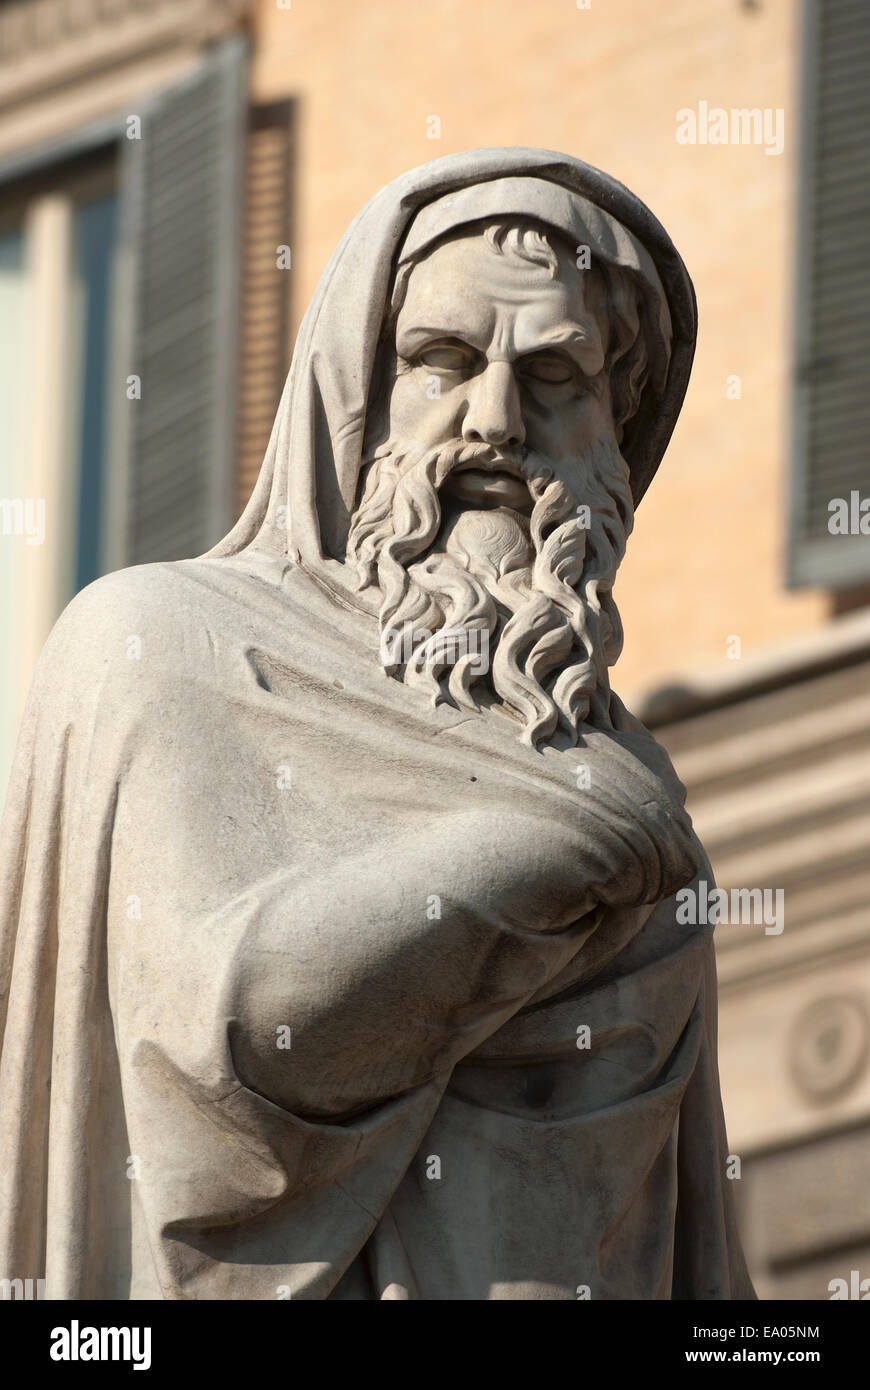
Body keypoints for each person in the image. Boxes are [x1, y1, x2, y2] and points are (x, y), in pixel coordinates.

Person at [0, 148, 755, 1300]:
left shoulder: (628, 784)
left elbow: (690, 1246)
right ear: (356, 389)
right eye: (441, 360)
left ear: (617, 434)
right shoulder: (168, 645)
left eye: (556, 374)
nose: (495, 423)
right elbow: (235, 1035)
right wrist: (557, 842)